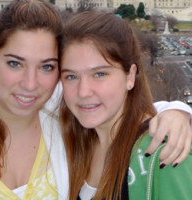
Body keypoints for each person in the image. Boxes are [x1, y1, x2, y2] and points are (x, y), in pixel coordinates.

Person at [0, 1, 191, 199]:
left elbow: (119, 110)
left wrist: (176, 112)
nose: (30, 84)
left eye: (47, 67)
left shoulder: (59, 117)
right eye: (15, 63)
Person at [59, 11, 192, 200]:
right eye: (71, 76)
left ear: (130, 76)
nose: (83, 91)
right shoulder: (73, 145)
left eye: (99, 74)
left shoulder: (166, 153)